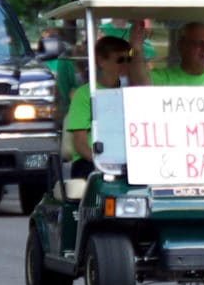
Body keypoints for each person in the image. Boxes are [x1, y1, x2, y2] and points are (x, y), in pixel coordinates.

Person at [61, 33, 151, 177]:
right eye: (120, 60)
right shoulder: (84, 94)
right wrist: (104, 163)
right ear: (102, 61)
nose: (126, 65)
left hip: (127, 161)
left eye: (129, 60)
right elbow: (80, 144)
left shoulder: (131, 92)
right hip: (91, 161)